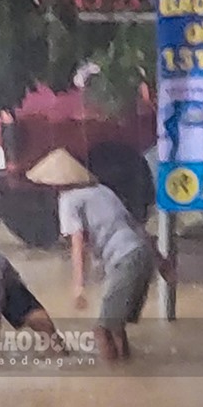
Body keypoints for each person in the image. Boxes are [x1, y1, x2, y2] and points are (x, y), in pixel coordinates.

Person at [26, 148, 174, 361]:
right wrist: (161, 263)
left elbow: (78, 243)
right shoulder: (103, 191)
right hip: (141, 255)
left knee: (101, 330)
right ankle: (128, 373)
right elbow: (135, 226)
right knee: (116, 328)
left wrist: (78, 285)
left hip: (124, 260)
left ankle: (115, 381)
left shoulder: (68, 200)